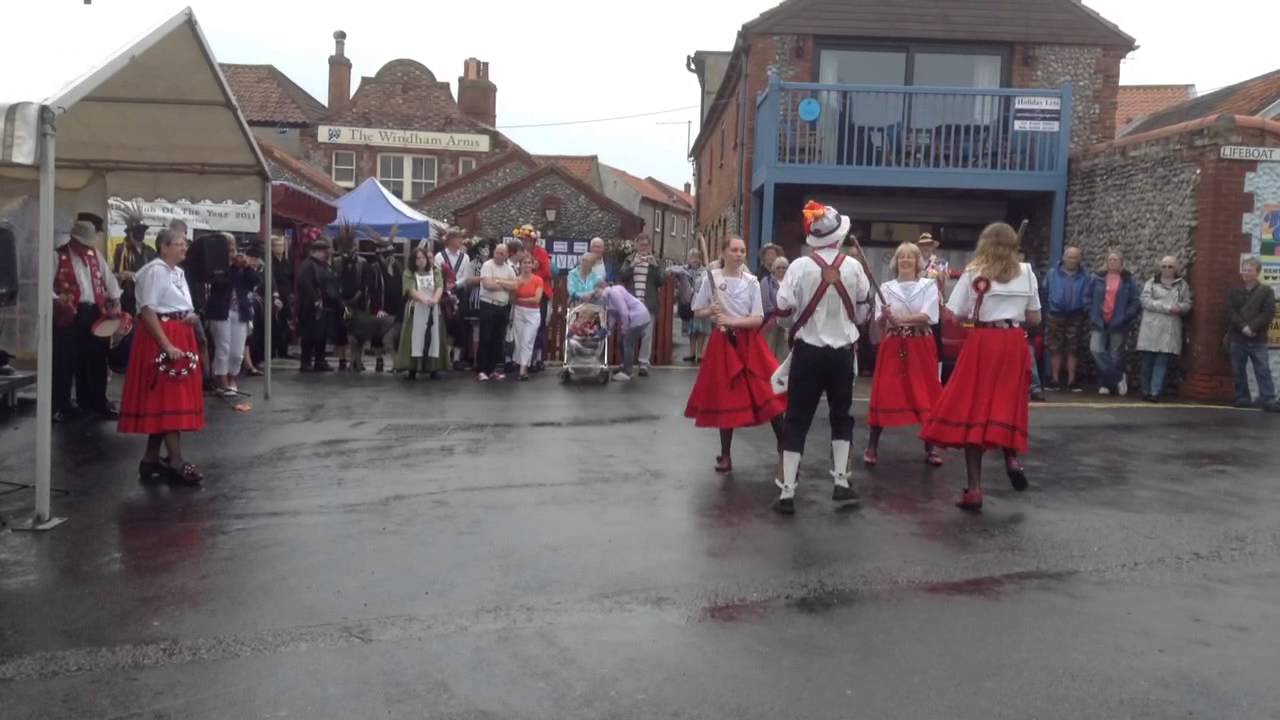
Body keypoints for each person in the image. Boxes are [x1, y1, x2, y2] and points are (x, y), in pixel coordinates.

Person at [920, 222, 1040, 512]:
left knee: (975, 408)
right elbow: (1034, 318)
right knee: (1006, 403)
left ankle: (974, 489)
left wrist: (980, 311)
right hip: (1013, 342)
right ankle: (1011, 457)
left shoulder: (974, 272)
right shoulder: (1027, 273)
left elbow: (956, 312)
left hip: (984, 341)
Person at [770, 203, 871, 514]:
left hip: (808, 355)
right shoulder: (854, 268)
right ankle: (841, 482)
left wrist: (799, 323)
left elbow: (784, 311)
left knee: (797, 419)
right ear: (838, 235)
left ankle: (787, 493)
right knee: (842, 417)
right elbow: (865, 313)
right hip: (841, 355)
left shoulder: (799, 266)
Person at [685, 236, 788, 480]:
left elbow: (757, 318)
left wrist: (731, 321)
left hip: (749, 342)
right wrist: (711, 311)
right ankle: (725, 454)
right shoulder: (712, 279)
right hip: (722, 345)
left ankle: (784, 447)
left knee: (767, 390)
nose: (739, 254)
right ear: (724, 252)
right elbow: (697, 311)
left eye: (742, 250)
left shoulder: (752, 282)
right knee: (727, 396)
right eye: (734, 250)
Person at [118, 229, 205, 485]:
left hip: (179, 333)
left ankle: (151, 458)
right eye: (178, 244)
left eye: (184, 244)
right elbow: (148, 311)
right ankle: (175, 459)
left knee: (164, 400)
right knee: (168, 398)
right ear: (163, 247)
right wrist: (166, 345)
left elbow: (176, 303)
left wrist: (188, 316)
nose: (184, 248)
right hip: (161, 337)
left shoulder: (177, 272)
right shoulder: (155, 270)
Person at [864, 242, 944, 467]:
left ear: (918, 261)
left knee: (926, 391)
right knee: (886, 391)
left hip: (920, 344)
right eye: (901, 257)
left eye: (910, 257)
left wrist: (900, 319)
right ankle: (872, 446)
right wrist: (885, 316)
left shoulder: (929, 285)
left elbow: (929, 316)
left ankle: (931, 446)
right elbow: (879, 321)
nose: (906, 261)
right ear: (895, 261)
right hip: (894, 344)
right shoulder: (886, 287)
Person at [52, 220, 123, 423]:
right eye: (83, 243)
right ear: (73, 239)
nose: (86, 248)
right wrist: (58, 301)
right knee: (65, 360)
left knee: (97, 358)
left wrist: (115, 300)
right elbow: (45, 285)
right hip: (70, 313)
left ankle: (95, 401)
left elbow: (109, 280)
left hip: (93, 311)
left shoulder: (95, 256)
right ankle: (61, 405)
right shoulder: (58, 255)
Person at [205, 233, 258, 397]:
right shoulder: (216, 265)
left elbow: (254, 281)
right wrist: (234, 267)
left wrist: (247, 267)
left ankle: (233, 376)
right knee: (223, 347)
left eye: (233, 248)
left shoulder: (240, 265)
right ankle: (222, 380)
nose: (232, 252)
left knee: (237, 351)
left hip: (240, 311)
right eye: (228, 249)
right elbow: (221, 283)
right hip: (221, 311)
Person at [1136, 256, 1192, 402]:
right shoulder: (1151, 282)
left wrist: (1180, 307)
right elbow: (1145, 301)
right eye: (1164, 266)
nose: (1167, 269)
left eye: (1170, 266)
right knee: (1147, 361)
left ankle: (1155, 392)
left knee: (1162, 361)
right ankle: (1145, 390)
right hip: (1151, 328)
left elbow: (1187, 303)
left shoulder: (1182, 285)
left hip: (1169, 329)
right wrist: (1167, 307)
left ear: (1176, 268)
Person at [1226, 256, 1278, 411]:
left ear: (1257, 272)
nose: (1245, 273)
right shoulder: (1235, 291)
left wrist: (1253, 328)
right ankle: (1242, 397)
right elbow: (1230, 312)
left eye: (1249, 270)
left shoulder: (1266, 291)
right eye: (1244, 269)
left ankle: (1268, 399)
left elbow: (1268, 312)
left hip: (1258, 338)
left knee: (1263, 369)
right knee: (1238, 370)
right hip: (1238, 337)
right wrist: (1243, 327)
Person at [1085, 251, 1140, 396]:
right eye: (1110, 259)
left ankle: (1107, 385)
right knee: (1096, 349)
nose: (1113, 262)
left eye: (1116, 260)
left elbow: (1135, 301)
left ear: (1121, 262)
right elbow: (1087, 296)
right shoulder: (1097, 278)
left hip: (1118, 322)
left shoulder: (1128, 280)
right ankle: (1118, 377)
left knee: (1115, 354)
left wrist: (1126, 315)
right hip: (1099, 320)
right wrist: (1092, 312)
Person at [396, 246, 448, 380]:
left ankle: (433, 368)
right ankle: (412, 368)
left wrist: (435, 300)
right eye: (417, 258)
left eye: (423, 257)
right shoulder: (409, 273)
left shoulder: (435, 271)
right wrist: (424, 299)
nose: (420, 261)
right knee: (414, 338)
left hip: (433, 309)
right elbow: (410, 290)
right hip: (417, 309)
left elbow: (439, 286)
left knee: (434, 337)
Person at [1043, 246, 1090, 391]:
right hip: (1055, 314)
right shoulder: (1052, 274)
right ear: (1063, 257)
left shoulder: (1085, 276)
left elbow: (1089, 294)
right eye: (1070, 257)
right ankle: (1055, 379)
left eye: (1075, 257)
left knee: (1073, 348)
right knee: (1054, 347)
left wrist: (1084, 307)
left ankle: (1071, 380)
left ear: (1079, 259)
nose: (1072, 260)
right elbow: (1044, 291)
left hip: (1076, 315)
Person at [620, 234, 665, 376]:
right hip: (632, 304)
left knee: (647, 336)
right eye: (641, 245)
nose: (643, 247)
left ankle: (643, 363)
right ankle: (627, 362)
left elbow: (661, 280)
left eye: (646, 245)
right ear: (636, 245)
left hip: (648, 304)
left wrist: (655, 266)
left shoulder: (655, 261)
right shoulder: (629, 260)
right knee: (629, 335)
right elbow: (622, 276)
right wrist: (632, 266)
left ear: (649, 246)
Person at [477, 242, 519, 381]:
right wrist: (504, 284)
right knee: (486, 338)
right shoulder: (487, 265)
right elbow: (488, 285)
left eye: (502, 253)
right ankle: (482, 370)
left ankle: (493, 369)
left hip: (502, 307)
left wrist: (498, 281)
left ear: (507, 255)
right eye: (497, 252)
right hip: (488, 305)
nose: (499, 255)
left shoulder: (509, 269)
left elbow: (515, 285)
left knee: (497, 339)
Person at [295, 239, 339, 372]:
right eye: (324, 252)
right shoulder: (307, 265)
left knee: (321, 335)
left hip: (324, 306)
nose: (326, 254)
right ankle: (306, 362)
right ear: (316, 252)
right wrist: (315, 298)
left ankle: (320, 360)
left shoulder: (324, 265)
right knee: (308, 335)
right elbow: (305, 283)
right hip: (309, 306)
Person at [599, 280, 652, 381]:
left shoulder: (613, 293)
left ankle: (627, 372)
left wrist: (625, 328)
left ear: (602, 288)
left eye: (596, 291)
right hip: (636, 317)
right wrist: (608, 329)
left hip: (638, 317)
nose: (595, 295)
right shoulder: (608, 297)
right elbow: (613, 315)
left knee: (627, 342)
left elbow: (623, 312)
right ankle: (624, 365)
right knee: (621, 341)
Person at [438, 229, 474, 369]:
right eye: (459, 238)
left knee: (460, 326)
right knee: (446, 325)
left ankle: (457, 359)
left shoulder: (465, 257)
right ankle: (445, 357)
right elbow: (437, 273)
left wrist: (455, 284)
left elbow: (466, 276)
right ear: (451, 240)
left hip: (459, 293)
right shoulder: (439, 257)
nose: (461, 241)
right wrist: (445, 286)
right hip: (443, 294)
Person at [111, 208, 156, 317]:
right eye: (138, 230)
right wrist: (123, 276)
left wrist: (136, 276)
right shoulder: (122, 250)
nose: (142, 233)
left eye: (143, 230)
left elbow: (156, 273)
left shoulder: (149, 251)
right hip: (128, 297)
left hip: (145, 297)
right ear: (130, 233)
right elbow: (116, 275)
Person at [673, 248, 712, 363]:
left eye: (696, 258)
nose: (694, 261)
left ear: (700, 260)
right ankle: (691, 352)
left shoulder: (705, 271)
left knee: (701, 330)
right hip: (688, 303)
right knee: (691, 330)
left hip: (702, 304)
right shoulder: (684, 271)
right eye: (692, 258)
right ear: (688, 260)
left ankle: (700, 354)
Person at [512, 254, 545, 381]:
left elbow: (537, 299)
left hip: (533, 313)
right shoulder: (516, 279)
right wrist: (518, 295)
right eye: (524, 262)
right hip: (519, 312)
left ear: (532, 265)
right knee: (519, 341)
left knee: (527, 340)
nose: (527, 265)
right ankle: (521, 363)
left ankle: (523, 370)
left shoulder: (538, 280)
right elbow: (513, 299)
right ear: (520, 265)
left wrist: (521, 299)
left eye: (529, 262)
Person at [373, 242, 403, 373]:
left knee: (392, 338)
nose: (390, 257)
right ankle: (379, 360)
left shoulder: (398, 267)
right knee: (378, 336)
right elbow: (372, 290)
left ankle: (397, 363)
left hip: (396, 309)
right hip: (381, 308)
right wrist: (377, 308)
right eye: (386, 255)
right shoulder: (375, 268)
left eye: (391, 254)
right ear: (379, 256)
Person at [760, 255, 790, 361]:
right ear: (774, 269)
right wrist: (777, 312)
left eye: (784, 267)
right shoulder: (766, 281)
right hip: (771, 321)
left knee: (783, 350)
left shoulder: (790, 283)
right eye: (778, 267)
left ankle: (778, 374)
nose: (781, 270)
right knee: (769, 348)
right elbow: (765, 302)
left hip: (786, 322)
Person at [269, 235, 293, 359]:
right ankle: (272, 351)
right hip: (275, 297)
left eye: (282, 245)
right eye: (277, 245)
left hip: (286, 296)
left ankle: (284, 351)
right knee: (274, 324)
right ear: (272, 247)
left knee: (285, 324)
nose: (280, 248)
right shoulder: (270, 261)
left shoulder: (286, 261)